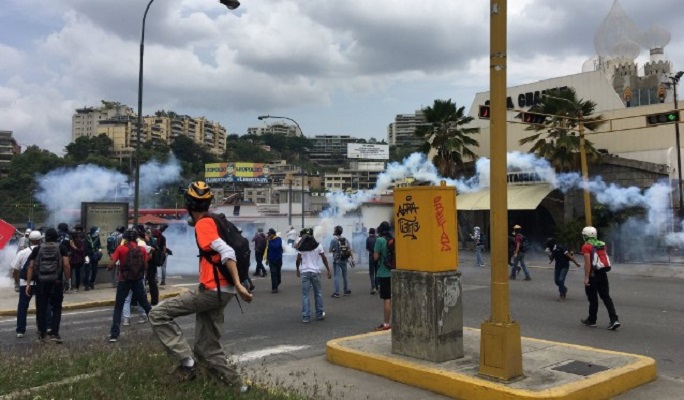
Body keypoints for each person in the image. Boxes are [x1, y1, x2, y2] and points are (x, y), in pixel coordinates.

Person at [149, 181, 252, 392]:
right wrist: (236, 285)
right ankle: (239, 388)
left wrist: (239, 284)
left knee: (158, 314)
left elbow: (227, 253)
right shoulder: (214, 219)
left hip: (212, 290)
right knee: (207, 348)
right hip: (225, 291)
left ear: (188, 204)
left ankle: (187, 362)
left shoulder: (204, 224)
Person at [25, 228, 71, 343]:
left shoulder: (38, 249)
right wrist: (67, 279)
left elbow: (31, 266)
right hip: (56, 283)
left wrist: (28, 284)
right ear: (57, 237)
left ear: (45, 238)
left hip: (41, 283)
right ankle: (54, 334)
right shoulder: (61, 248)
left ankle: (42, 334)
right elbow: (66, 265)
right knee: (56, 308)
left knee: (41, 308)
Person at [107, 229, 152, 342]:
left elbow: (111, 265)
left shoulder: (121, 248)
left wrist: (110, 265)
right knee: (146, 305)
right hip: (137, 280)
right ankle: (161, 328)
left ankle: (114, 335)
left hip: (124, 280)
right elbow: (146, 266)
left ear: (125, 238)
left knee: (118, 306)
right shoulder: (141, 249)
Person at [580, 226, 620, 330]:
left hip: (593, 275)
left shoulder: (586, 247)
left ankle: (592, 320)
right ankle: (614, 319)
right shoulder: (602, 244)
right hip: (603, 273)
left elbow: (587, 264)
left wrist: (586, 278)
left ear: (586, 236)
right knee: (606, 297)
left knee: (593, 299)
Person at [295, 228, 331, 323]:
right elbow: (324, 258)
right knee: (318, 293)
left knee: (305, 295)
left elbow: (298, 259)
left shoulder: (301, 246)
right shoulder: (318, 245)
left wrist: (297, 270)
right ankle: (319, 314)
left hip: (305, 272)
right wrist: (328, 269)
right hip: (315, 272)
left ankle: (306, 317)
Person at [12, 230, 43, 338]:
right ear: (40, 240)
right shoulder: (43, 251)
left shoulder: (22, 252)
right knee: (42, 306)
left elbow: (15, 270)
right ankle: (42, 328)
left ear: (29, 240)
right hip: (40, 282)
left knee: (22, 307)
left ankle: (20, 330)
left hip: (25, 283)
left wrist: (16, 282)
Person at [545, 237, 580, 301]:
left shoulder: (560, 248)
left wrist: (576, 263)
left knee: (561, 280)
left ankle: (562, 295)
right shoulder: (553, 249)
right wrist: (548, 254)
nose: (548, 246)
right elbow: (551, 259)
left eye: (548, 244)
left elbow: (569, 256)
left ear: (551, 243)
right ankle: (564, 289)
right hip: (557, 266)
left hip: (564, 266)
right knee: (556, 281)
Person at [373, 221, 392, 331]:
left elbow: (375, 257)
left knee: (387, 299)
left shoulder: (380, 240)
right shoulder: (392, 239)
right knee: (393, 297)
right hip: (394, 271)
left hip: (384, 272)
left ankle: (386, 324)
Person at [329, 225, 353, 298]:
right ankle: (346, 291)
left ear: (335, 232)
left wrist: (334, 250)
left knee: (336, 276)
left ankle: (336, 292)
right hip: (344, 259)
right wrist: (352, 258)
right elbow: (349, 249)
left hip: (337, 259)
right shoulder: (345, 239)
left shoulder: (333, 240)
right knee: (345, 275)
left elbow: (330, 250)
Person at [83, 226, 102, 291]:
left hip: (95, 255)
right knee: (87, 270)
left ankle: (92, 282)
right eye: (96, 231)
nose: (97, 233)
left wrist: (99, 251)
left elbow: (99, 246)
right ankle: (86, 284)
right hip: (87, 256)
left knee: (94, 270)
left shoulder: (97, 238)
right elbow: (85, 247)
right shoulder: (87, 238)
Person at [265, 228, 284, 293]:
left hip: (278, 259)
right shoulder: (269, 241)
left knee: (278, 273)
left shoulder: (278, 239)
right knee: (273, 273)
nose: (268, 236)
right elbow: (268, 250)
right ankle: (274, 288)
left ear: (273, 234)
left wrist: (269, 241)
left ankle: (277, 283)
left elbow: (276, 247)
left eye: (269, 234)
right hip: (271, 259)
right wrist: (267, 259)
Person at [69, 225, 86, 292]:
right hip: (72, 259)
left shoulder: (79, 241)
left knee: (77, 273)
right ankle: (69, 285)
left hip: (78, 259)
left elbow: (82, 251)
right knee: (69, 271)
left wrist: (74, 246)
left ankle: (77, 287)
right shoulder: (71, 241)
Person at [366, 228, 378, 294]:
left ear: (369, 232)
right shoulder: (377, 238)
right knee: (377, 272)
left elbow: (367, 248)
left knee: (371, 273)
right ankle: (377, 287)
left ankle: (373, 287)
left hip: (371, 256)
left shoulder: (368, 239)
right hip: (377, 257)